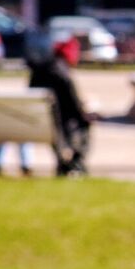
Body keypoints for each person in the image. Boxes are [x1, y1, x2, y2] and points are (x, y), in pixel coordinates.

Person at [24, 31, 88, 176]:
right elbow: (74, 105)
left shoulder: (38, 71)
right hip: (62, 123)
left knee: (58, 125)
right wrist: (86, 114)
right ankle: (76, 162)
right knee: (83, 125)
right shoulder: (61, 72)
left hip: (41, 122)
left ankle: (62, 161)